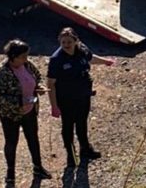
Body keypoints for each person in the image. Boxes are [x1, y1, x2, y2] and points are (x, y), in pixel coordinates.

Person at [47, 27, 116, 168]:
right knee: (68, 127)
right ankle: (71, 155)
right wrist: (54, 105)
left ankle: (85, 149)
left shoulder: (81, 49)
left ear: (76, 41)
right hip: (66, 99)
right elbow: (50, 83)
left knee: (82, 123)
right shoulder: (56, 59)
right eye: (63, 42)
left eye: (69, 42)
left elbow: (90, 58)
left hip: (83, 95)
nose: (66, 45)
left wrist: (106, 61)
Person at [0, 39, 51, 188]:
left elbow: (37, 77)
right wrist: (18, 103)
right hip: (11, 114)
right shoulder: (1, 73)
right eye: (22, 56)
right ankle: (10, 174)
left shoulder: (27, 65)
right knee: (11, 142)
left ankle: (38, 167)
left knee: (33, 138)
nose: (26, 59)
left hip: (30, 110)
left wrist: (39, 87)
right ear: (13, 56)